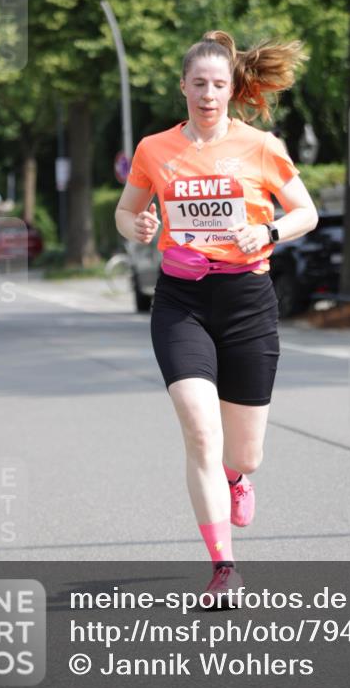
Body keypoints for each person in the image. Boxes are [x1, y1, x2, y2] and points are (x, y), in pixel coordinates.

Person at [115, 30, 318, 605]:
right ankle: (223, 566)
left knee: (243, 452)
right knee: (200, 429)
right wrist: (139, 226)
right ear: (183, 87)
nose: (208, 93)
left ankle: (237, 477)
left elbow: (306, 211)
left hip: (248, 301)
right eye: (198, 84)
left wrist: (268, 230)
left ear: (233, 90)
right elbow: (126, 211)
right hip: (182, 301)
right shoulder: (155, 149)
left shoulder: (261, 146)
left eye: (218, 84)